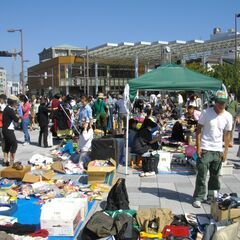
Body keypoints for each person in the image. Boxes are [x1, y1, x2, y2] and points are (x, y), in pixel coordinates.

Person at [192, 90, 232, 208]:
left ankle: (211, 197)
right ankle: (198, 197)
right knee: (202, 175)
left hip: (218, 150)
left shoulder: (228, 116)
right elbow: (199, 130)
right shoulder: (206, 113)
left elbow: (227, 134)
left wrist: (225, 152)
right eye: (219, 103)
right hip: (205, 148)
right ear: (215, 102)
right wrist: (198, 147)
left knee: (215, 176)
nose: (221, 105)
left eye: (223, 103)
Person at [2, 95, 19, 166]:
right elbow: (16, 119)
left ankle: (6, 161)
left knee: (8, 145)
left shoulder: (6, 108)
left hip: (5, 129)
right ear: (12, 102)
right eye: (15, 102)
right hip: (8, 129)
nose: (16, 104)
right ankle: (11, 162)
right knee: (14, 144)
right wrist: (18, 117)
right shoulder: (10, 110)